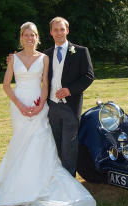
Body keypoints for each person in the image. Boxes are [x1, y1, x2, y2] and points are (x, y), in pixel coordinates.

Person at [0, 22, 96, 206]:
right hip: (32, 105)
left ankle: (61, 179)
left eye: (33, 35)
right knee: (28, 142)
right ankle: (17, 179)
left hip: (53, 105)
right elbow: (10, 84)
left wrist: (45, 102)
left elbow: (79, 77)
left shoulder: (61, 54)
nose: (30, 38)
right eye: (26, 35)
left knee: (55, 143)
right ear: (21, 37)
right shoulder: (29, 56)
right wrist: (21, 104)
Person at [44, 17, 94, 177]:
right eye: (55, 30)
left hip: (70, 106)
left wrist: (69, 90)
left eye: (62, 29)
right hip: (51, 106)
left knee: (69, 145)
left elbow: (88, 76)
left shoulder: (80, 51)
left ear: (67, 30)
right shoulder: (46, 55)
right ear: (51, 32)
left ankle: (70, 181)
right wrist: (14, 60)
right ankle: (61, 176)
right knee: (56, 143)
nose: (59, 33)